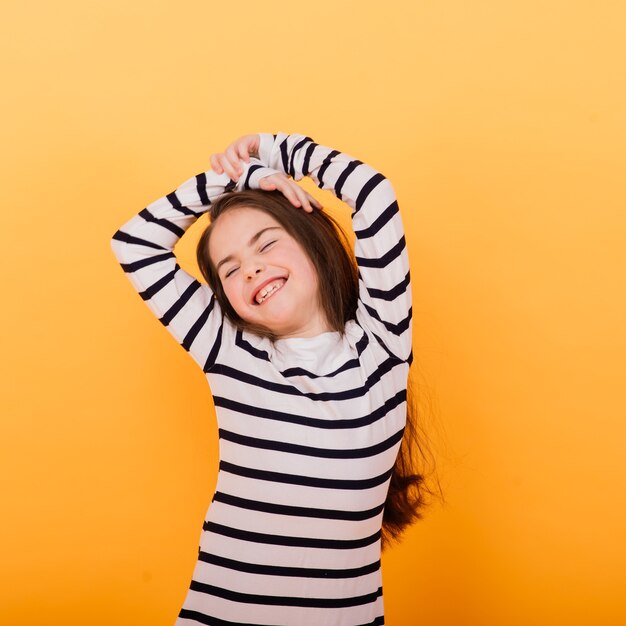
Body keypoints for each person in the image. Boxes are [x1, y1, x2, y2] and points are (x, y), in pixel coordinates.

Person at [111, 132, 431, 625]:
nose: (252, 267)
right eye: (230, 269)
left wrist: (271, 151)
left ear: (312, 240)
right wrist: (236, 178)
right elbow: (134, 244)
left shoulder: (382, 344)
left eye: (266, 244)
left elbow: (372, 192)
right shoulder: (230, 350)